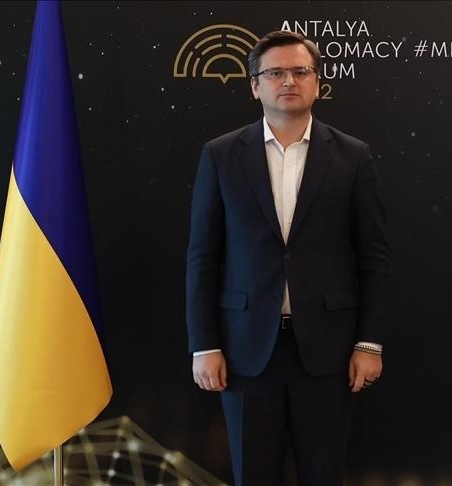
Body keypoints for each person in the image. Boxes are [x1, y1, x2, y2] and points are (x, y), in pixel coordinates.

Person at [185, 30, 391, 486]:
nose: (289, 81)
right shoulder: (220, 155)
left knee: (324, 475)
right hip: (244, 350)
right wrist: (204, 344)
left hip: (329, 350)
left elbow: (374, 258)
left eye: (300, 72)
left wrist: (369, 343)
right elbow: (203, 256)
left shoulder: (353, 156)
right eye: (275, 73)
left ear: (317, 82)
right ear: (254, 85)